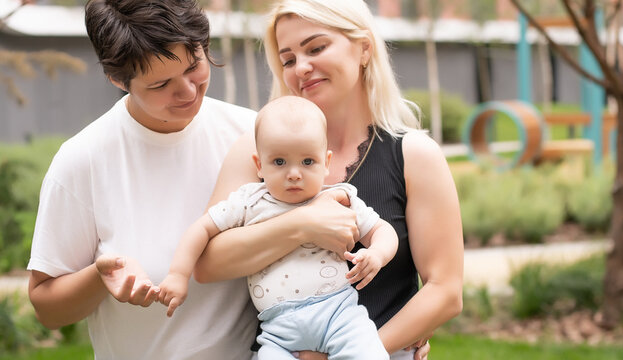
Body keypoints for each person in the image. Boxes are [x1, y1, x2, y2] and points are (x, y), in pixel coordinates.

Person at [192, 1, 464, 359]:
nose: (301, 68)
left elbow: (445, 290)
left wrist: (354, 352)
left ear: (364, 49)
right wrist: (303, 224)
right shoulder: (253, 152)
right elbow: (208, 262)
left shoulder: (414, 155)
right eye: (288, 59)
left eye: (316, 48)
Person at [26, 0, 257, 358]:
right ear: (118, 79)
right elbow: (47, 308)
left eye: (194, 65)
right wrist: (98, 277)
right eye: (162, 83)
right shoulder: (82, 160)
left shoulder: (252, 134)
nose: (188, 91)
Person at [158, 96, 397, 359]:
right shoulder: (249, 202)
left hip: (339, 315)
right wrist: (178, 274)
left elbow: (382, 230)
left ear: (326, 162)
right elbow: (201, 228)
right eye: (280, 162)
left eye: (307, 162)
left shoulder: (339, 199)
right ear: (259, 165)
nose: (294, 173)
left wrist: (377, 254)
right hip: (278, 330)